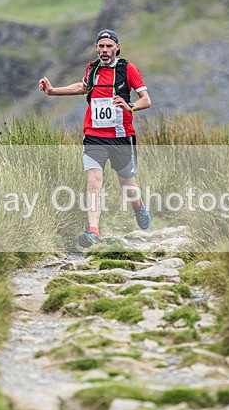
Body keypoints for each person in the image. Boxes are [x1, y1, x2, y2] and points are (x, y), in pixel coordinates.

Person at [39, 29, 152, 248]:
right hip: (94, 136)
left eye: (109, 46)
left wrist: (130, 107)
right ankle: (93, 232)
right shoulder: (92, 69)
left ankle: (137, 206)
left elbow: (146, 100)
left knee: (127, 185)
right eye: (101, 46)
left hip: (121, 136)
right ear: (96, 48)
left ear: (117, 47)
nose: (105, 50)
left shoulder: (128, 69)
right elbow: (82, 87)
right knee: (93, 183)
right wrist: (53, 91)